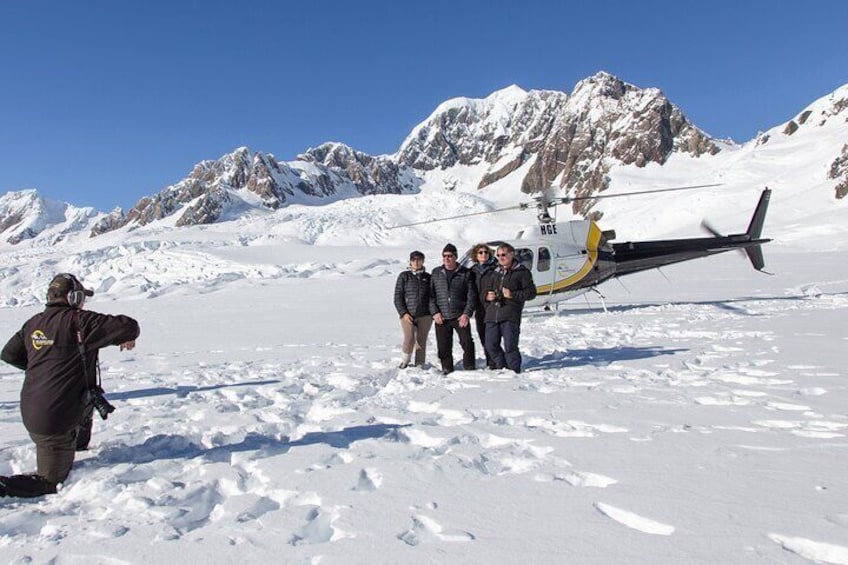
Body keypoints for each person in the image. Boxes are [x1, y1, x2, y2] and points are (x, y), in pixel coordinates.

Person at [0, 273, 139, 498]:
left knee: (87, 397)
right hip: (52, 421)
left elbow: (9, 354)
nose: (84, 302)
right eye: (82, 297)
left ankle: (79, 445)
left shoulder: (34, 323)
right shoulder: (80, 321)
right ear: (73, 298)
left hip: (36, 408)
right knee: (51, 481)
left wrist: (43, 367)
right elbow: (130, 327)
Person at [480, 243, 537, 373]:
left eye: (504, 255)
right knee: (490, 345)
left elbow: (531, 293)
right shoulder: (494, 272)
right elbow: (485, 291)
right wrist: (487, 296)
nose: (501, 257)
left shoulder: (522, 272)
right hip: (492, 314)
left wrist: (513, 295)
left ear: (512, 254)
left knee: (510, 346)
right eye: (498, 255)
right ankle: (502, 366)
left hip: (510, 314)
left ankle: (514, 370)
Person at [429, 243, 476, 374]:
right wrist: (435, 312)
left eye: (450, 256)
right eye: (444, 256)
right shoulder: (436, 273)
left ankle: (469, 365)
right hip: (442, 316)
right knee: (443, 345)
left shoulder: (465, 273)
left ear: (455, 257)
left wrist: (466, 314)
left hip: (459, 315)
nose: (447, 259)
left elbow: (471, 296)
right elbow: (431, 296)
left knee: (467, 342)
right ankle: (447, 367)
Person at [393, 250, 433, 368]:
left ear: (423, 261)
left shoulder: (428, 277)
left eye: (419, 259)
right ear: (410, 261)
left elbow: (432, 296)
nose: (416, 262)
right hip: (408, 314)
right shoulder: (404, 276)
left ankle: (420, 363)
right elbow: (397, 297)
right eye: (413, 260)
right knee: (409, 338)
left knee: (421, 341)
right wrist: (403, 313)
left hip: (425, 314)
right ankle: (405, 360)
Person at [470, 243, 497, 369]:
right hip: (479, 308)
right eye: (480, 252)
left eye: (486, 252)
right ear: (476, 255)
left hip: (492, 308)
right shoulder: (472, 271)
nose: (483, 255)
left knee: (492, 337)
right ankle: (489, 359)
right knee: (482, 336)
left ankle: (494, 361)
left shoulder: (495, 269)